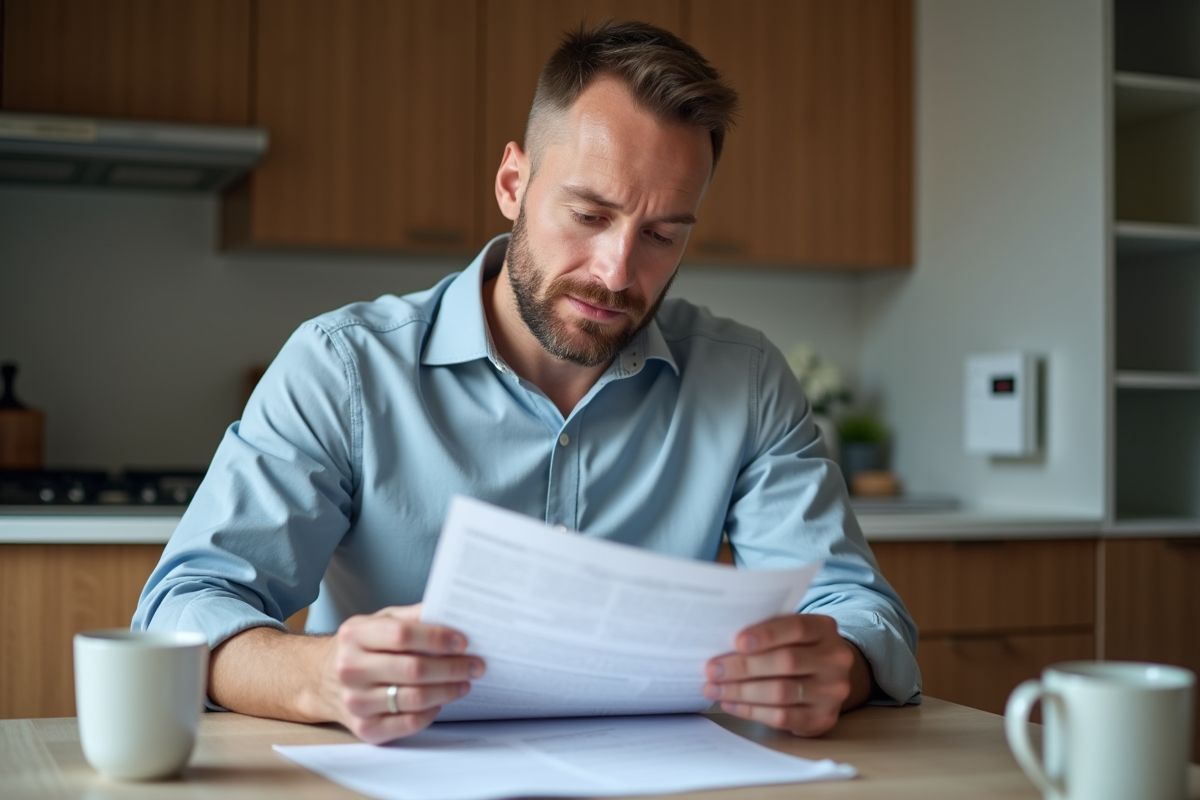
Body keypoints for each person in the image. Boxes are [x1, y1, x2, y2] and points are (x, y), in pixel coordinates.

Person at [134, 20, 920, 745]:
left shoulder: (744, 380)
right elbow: (184, 609)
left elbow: (859, 610)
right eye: (588, 214)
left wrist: (837, 665)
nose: (617, 270)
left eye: (661, 234)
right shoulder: (342, 367)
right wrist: (317, 676)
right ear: (513, 183)